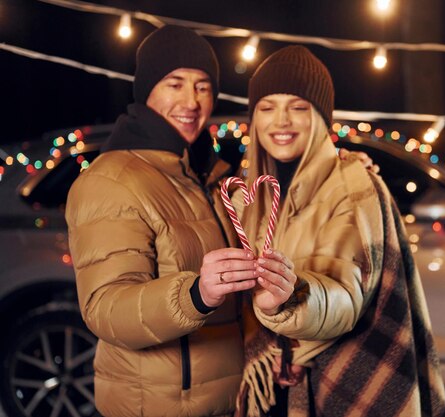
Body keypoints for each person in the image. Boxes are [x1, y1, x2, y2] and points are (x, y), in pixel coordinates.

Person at [65, 25, 296, 417]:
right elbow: (105, 308)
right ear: (146, 90)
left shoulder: (212, 175)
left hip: (228, 401)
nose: (192, 101)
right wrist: (195, 294)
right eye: (175, 84)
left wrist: (342, 168)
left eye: (203, 86)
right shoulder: (112, 180)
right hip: (160, 405)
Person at [235, 45, 445, 417]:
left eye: (299, 107)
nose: (281, 121)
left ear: (320, 116)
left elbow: (346, 298)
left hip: (336, 384)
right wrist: (274, 345)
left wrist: (290, 301)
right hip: (271, 387)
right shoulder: (250, 196)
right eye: (267, 108)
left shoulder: (353, 187)